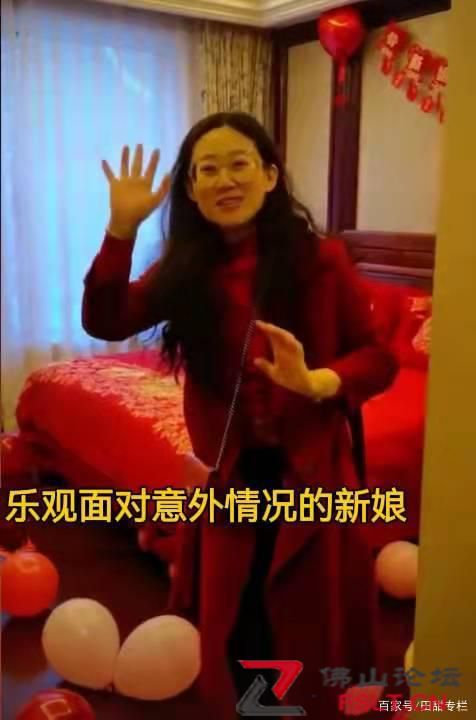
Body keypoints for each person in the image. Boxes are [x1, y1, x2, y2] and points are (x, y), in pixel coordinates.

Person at [82, 112, 398, 718]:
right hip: (228, 476)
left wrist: (317, 382)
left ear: (270, 175)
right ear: (192, 189)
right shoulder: (185, 269)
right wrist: (120, 231)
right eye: (208, 170)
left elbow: (378, 358)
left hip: (311, 474)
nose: (224, 180)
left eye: (239, 164)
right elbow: (106, 319)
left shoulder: (321, 260)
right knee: (240, 617)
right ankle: (254, 708)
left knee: (303, 620)